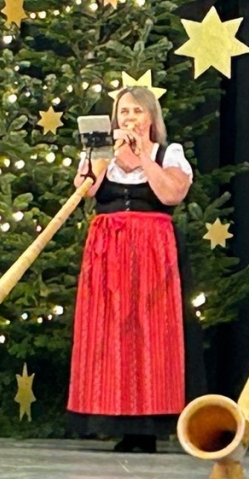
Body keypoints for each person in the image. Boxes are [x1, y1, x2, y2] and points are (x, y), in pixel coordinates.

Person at [68, 86, 198, 454]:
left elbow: (171, 194)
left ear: (151, 118)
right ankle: (107, 418)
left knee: (152, 334)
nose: (130, 119)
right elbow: (85, 192)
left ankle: (148, 426)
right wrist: (97, 156)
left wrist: (144, 158)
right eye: (124, 112)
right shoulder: (100, 154)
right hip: (107, 251)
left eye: (138, 112)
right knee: (107, 334)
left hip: (152, 252)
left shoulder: (168, 153)